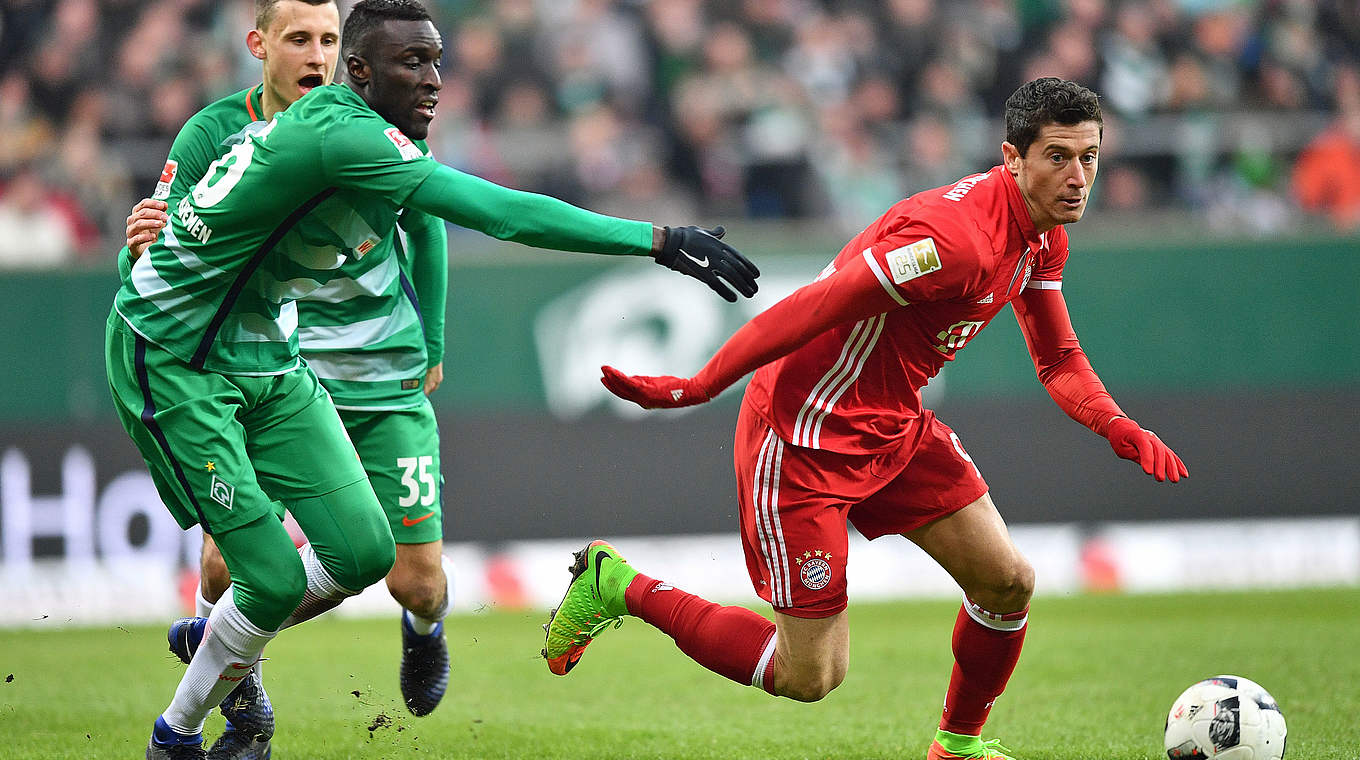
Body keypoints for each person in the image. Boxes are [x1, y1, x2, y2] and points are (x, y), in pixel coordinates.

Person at [106, 2, 760, 758]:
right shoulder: (340, 136)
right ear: (356, 71)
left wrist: (433, 338)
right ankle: (183, 735)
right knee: (267, 577)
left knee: (364, 554)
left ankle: (239, 648)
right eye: (412, 63)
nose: (434, 80)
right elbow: (500, 212)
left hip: (273, 354)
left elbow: (429, 227)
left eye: (437, 60)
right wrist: (657, 237)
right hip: (177, 357)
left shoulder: (357, 133)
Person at [542, 77, 1186, 760]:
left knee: (1007, 583)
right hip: (802, 437)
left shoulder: (1042, 235)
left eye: (1089, 156)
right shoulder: (955, 241)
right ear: (1012, 157)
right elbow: (819, 304)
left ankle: (956, 748)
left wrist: (1117, 425)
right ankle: (617, 585)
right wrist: (702, 384)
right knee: (810, 676)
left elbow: (1057, 358)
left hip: (894, 428)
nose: (1078, 176)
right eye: (1058, 156)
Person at [122, 2, 452, 751]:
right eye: (300, 38)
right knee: (222, 563)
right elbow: (161, 246)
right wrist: (136, 250)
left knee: (415, 579)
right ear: (259, 45)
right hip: (273, 363)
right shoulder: (212, 133)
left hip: (382, 372)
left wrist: (430, 339)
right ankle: (242, 698)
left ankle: (423, 628)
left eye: (330, 40)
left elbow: (432, 222)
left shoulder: (373, 131)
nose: (318, 54)